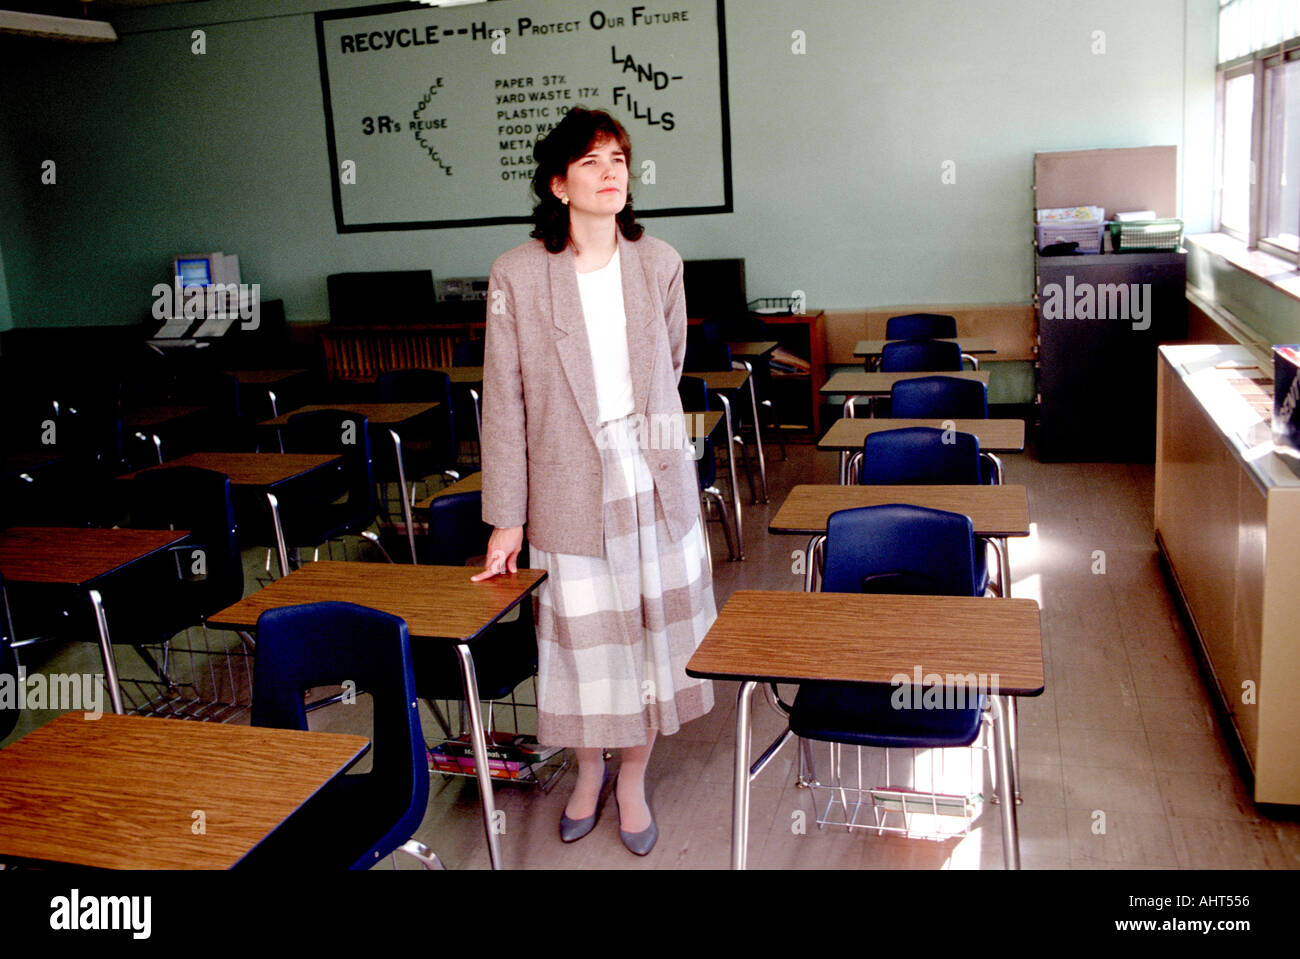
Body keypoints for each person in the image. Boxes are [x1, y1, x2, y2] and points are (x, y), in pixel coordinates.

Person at [472, 107, 716, 856]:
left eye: (619, 157)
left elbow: (669, 368)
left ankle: (634, 778)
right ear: (558, 182)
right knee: (583, 646)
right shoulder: (516, 273)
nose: (612, 171)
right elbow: (505, 402)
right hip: (567, 486)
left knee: (648, 639)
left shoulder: (660, 261)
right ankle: (586, 773)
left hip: (651, 477)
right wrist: (507, 517)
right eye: (591, 161)